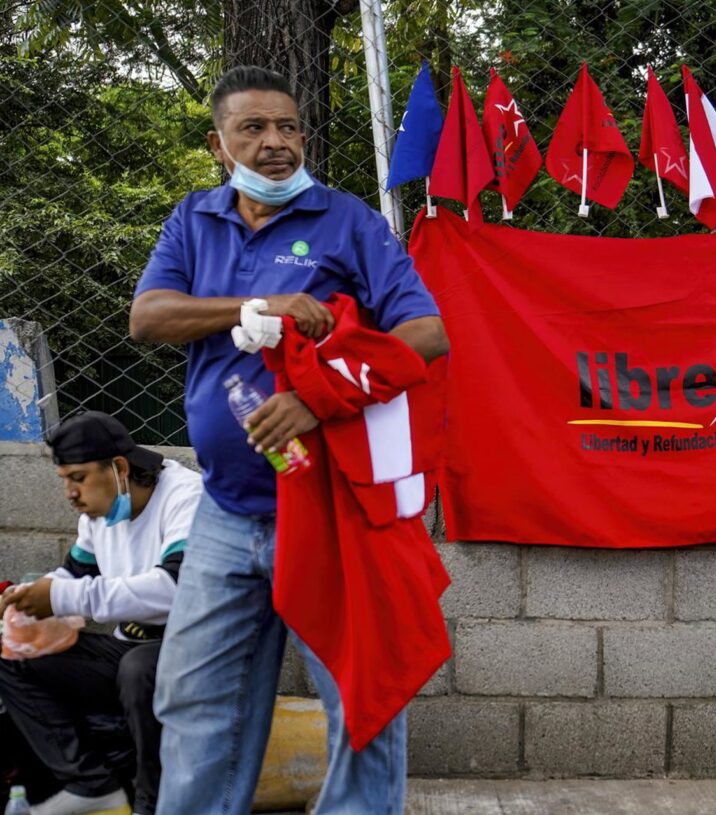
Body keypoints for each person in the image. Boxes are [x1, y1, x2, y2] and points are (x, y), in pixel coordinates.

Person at [129, 65, 448, 815]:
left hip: (334, 508)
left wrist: (316, 396)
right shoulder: (192, 220)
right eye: (253, 128)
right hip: (227, 509)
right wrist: (256, 302)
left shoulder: (349, 222)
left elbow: (425, 332)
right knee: (195, 698)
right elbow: (148, 317)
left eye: (287, 127)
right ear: (218, 143)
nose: (275, 143)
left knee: (362, 697)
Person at [0, 411, 203, 815]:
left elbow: (175, 589)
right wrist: (24, 601)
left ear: (120, 467)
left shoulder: (185, 496)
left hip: (192, 651)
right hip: (127, 645)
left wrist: (61, 598)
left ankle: (153, 803)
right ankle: (91, 786)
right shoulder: (101, 512)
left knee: (139, 670)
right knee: (12, 658)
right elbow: (74, 573)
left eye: (78, 478)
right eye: (64, 482)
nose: (70, 494)